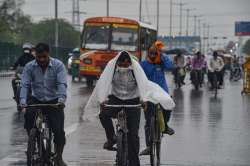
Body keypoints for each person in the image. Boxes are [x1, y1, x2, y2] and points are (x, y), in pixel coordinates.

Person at [84, 51, 175, 166]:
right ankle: (111, 138)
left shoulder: (135, 69)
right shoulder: (111, 68)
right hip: (115, 98)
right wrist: (102, 99)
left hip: (133, 100)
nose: (124, 67)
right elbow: (103, 83)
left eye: (126, 65)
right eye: (122, 65)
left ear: (130, 63)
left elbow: (143, 85)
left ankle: (134, 162)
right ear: (118, 63)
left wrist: (143, 99)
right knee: (103, 114)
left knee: (133, 135)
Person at [20, 43, 68, 166]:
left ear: (48, 54)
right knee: (28, 120)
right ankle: (33, 143)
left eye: (44, 57)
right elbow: (25, 85)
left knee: (58, 132)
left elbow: (61, 84)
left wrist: (61, 100)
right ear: (35, 55)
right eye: (38, 57)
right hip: (36, 100)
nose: (41, 60)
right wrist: (23, 102)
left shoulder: (58, 65)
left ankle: (59, 158)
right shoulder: (29, 67)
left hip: (54, 101)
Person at [140, 41, 174, 155]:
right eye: (151, 53)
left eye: (155, 53)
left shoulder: (161, 63)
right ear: (148, 53)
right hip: (149, 94)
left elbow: (170, 66)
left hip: (162, 93)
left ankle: (165, 126)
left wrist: (162, 55)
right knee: (148, 122)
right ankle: (149, 147)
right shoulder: (143, 64)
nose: (153, 55)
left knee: (168, 107)